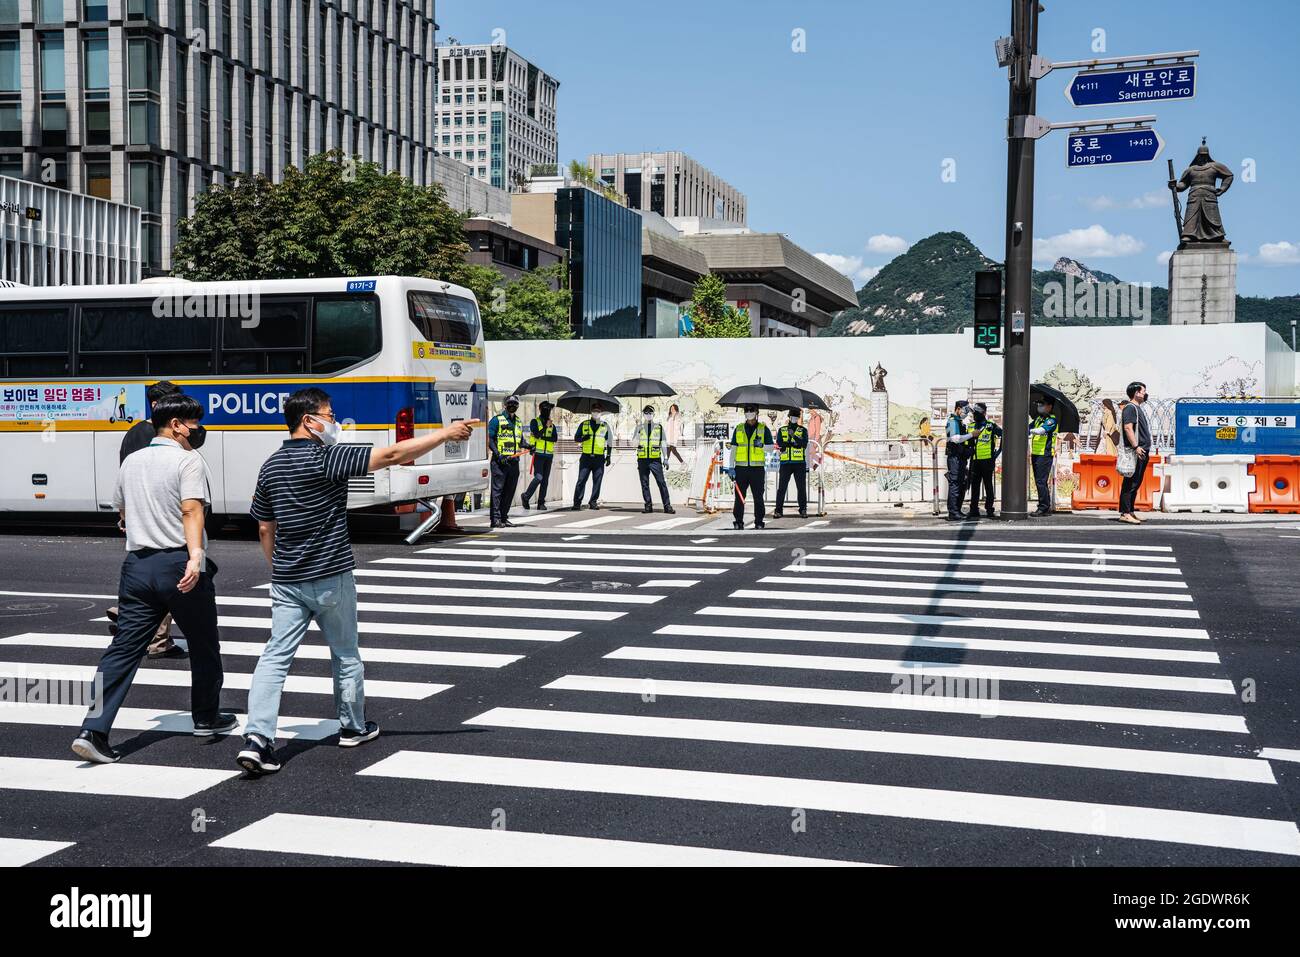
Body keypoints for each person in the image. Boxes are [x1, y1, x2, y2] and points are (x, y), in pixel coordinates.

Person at [237, 388, 472, 774]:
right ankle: (352, 726)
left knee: (275, 658)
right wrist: (446, 434)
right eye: (329, 415)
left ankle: (258, 738)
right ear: (309, 421)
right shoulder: (327, 457)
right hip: (331, 576)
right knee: (345, 654)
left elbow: (265, 525)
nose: (335, 422)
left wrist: (277, 565)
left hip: (286, 580)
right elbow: (394, 455)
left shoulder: (271, 465)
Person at [71, 393, 232, 764]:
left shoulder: (132, 462)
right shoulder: (188, 460)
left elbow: (122, 513)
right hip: (178, 564)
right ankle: (206, 718)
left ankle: (92, 730)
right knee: (204, 644)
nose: (197, 429)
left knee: (123, 649)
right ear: (176, 425)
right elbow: (191, 509)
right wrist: (195, 558)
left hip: (137, 566)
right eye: (193, 422)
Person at [109, 380, 185, 661]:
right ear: (157, 405)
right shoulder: (158, 436)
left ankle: (127, 616)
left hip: (138, 518)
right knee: (167, 578)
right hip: (162, 518)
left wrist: (125, 517)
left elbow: (123, 481)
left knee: (148, 576)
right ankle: (158, 641)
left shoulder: (132, 433)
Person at [727, 405, 772, 530]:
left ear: (757, 412)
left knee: (758, 497)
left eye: (751, 410)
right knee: (740, 497)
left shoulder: (764, 429)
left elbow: (771, 448)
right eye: (746, 410)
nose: (749, 413)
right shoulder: (739, 428)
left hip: (757, 469)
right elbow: (734, 449)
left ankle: (759, 521)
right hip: (740, 468)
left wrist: (761, 445)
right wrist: (731, 467)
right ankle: (738, 521)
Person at [487, 395, 525, 528]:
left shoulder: (518, 422)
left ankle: (504, 518)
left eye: (515, 403)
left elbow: (520, 440)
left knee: (509, 492)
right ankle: (495, 519)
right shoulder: (497, 420)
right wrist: (498, 454)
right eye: (510, 403)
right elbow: (490, 439)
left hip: (514, 462)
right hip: (500, 462)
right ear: (505, 405)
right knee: (497, 492)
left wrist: (529, 446)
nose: (513, 405)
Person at [1118, 381, 1152, 525]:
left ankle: (1130, 511)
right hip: (1136, 451)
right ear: (1136, 392)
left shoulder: (1137, 408)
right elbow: (1128, 428)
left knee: (1136, 482)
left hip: (1142, 450)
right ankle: (1125, 513)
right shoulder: (1130, 408)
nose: (1145, 393)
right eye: (1143, 391)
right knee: (1130, 482)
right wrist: (1136, 446)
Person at [634, 404, 675, 514]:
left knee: (661, 482)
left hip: (655, 459)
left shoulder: (658, 427)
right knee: (644, 483)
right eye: (646, 413)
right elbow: (634, 443)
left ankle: (667, 506)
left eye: (650, 413)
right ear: (643, 414)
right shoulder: (639, 427)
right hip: (642, 459)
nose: (648, 415)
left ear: (653, 414)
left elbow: (663, 443)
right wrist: (637, 433)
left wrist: (666, 458)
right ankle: (648, 505)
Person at [967, 403, 1002, 519]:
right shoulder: (971, 426)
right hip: (975, 461)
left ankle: (989, 509)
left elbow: (1004, 435)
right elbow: (967, 443)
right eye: (974, 413)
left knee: (988, 486)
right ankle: (973, 510)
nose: (975, 415)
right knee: (975, 486)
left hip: (987, 461)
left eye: (977, 413)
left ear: (984, 413)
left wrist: (997, 453)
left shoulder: (991, 426)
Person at [520, 400, 557, 510]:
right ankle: (526, 496)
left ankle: (541, 502)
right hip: (538, 454)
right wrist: (545, 427)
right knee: (539, 477)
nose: (548, 412)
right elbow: (536, 434)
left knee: (545, 480)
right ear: (540, 410)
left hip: (549, 455)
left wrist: (544, 436)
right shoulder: (534, 422)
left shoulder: (552, 424)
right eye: (546, 409)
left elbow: (554, 438)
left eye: (549, 410)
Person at [773, 409, 810, 519]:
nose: (794, 417)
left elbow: (804, 444)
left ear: (798, 417)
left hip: (799, 463)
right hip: (785, 463)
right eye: (792, 416)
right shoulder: (782, 430)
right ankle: (778, 510)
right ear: (789, 417)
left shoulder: (802, 430)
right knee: (782, 488)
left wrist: (793, 437)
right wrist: (793, 443)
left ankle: (803, 509)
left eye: (796, 416)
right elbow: (780, 443)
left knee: (801, 487)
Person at [572, 408, 612, 510]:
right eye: (594, 410)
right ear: (591, 412)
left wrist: (608, 456)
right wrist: (583, 438)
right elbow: (576, 438)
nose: (596, 413)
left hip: (599, 458)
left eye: (598, 411)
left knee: (597, 481)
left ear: (601, 413)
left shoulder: (605, 425)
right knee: (581, 480)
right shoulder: (584, 424)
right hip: (586, 457)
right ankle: (577, 503)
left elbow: (609, 442)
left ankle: (593, 502)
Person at [1029, 397, 1060, 516]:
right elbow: (1028, 428)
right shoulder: (1038, 419)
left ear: (1050, 406)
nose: (1039, 406)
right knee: (1039, 482)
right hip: (1036, 454)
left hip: (1045, 454)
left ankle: (1043, 507)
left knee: (1041, 481)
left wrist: (1031, 431)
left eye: (1042, 404)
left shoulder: (1051, 420)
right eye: (1038, 404)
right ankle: (1044, 507)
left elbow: (1041, 431)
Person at [944, 399, 973, 520]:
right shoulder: (952, 421)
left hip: (960, 457)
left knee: (961, 483)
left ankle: (957, 510)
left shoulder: (959, 422)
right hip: (955, 457)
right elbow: (955, 438)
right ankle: (953, 512)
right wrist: (972, 435)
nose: (966, 413)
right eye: (965, 410)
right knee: (955, 484)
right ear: (958, 409)